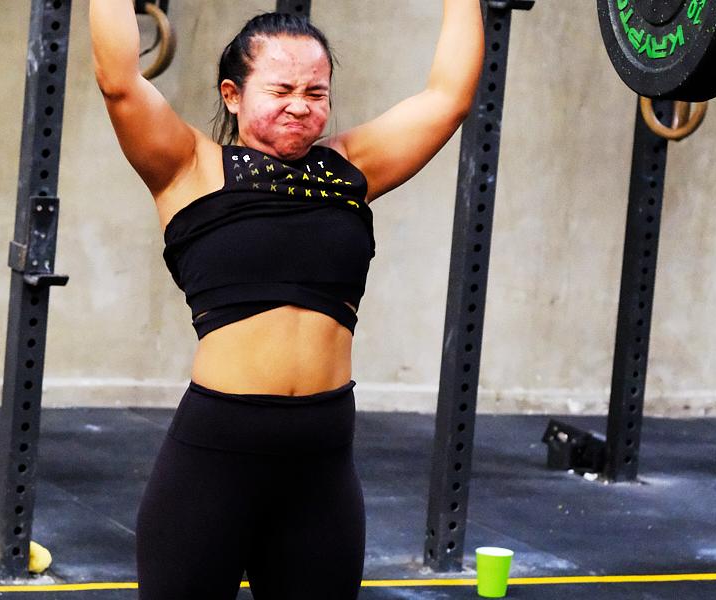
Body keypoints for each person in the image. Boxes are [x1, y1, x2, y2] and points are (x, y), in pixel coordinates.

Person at [90, 2, 484, 598]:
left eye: (315, 92)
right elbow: (119, 80)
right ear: (232, 95)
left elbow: (448, 97)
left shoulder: (350, 168)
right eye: (280, 90)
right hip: (215, 457)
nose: (300, 105)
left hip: (322, 462)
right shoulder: (190, 167)